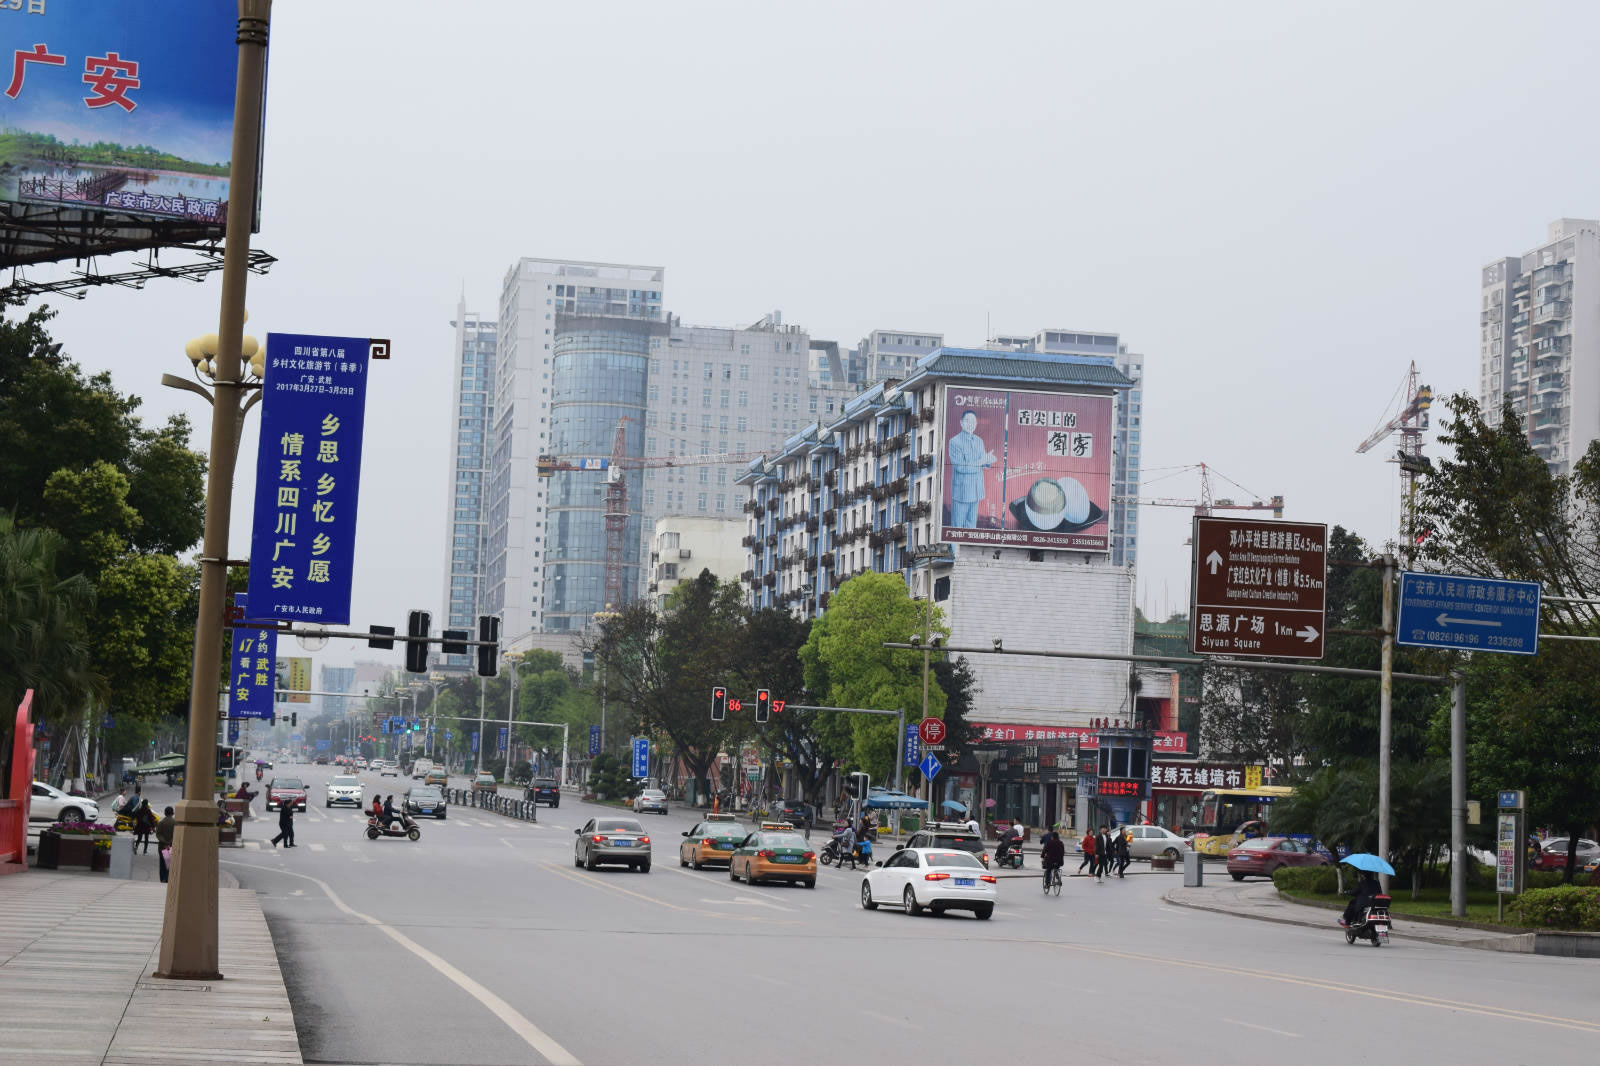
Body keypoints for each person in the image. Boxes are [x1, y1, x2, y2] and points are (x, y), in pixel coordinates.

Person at [946, 410, 997, 528]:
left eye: (973, 421)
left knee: (971, 527)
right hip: (962, 492)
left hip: (976, 490)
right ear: (961, 422)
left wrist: (988, 461)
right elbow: (960, 467)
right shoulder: (955, 442)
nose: (970, 424)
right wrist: (981, 461)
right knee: (958, 527)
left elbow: (982, 463)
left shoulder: (979, 441)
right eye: (967, 421)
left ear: (976, 423)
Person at [155, 806, 175, 883]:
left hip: (162, 846)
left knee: (162, 863)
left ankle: (163, 878)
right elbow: (176, 835)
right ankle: (168, 878)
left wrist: (165, 842)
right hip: (171, 846)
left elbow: (158, 834)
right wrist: (170, 842)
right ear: (172, 813)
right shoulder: (175, 823)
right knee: (169, 863)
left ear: (165, 813)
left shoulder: (161, 823)